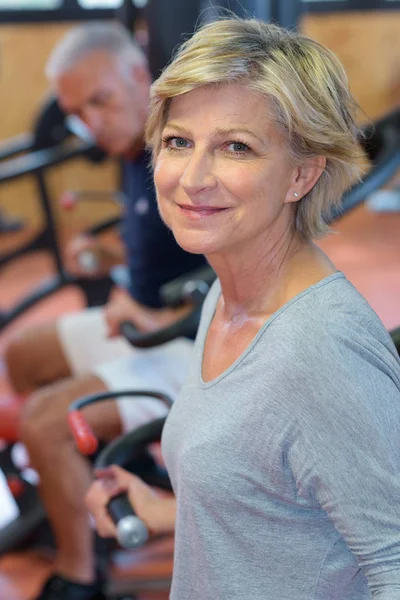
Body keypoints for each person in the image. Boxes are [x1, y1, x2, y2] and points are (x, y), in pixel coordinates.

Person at [86, 17, 400, 600]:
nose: (193, 178)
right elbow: (283, 508)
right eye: (179, 141)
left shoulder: (319, 351)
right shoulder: (225, 296)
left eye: (236, 147)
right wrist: (171, 512)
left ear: (302, 175)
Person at [3, 22, 206, 600]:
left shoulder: (188, 150)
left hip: (192, 343)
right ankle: (77, 491)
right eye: (77, 111)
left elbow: (245, 262)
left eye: (102, 100)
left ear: (141, 75)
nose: (92, 122)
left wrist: (158, 314)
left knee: (46, 419)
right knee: (23, 352)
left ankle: (80, 574)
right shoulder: (130, 147)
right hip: (141, 319)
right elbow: (165, 245)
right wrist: (111, 256)